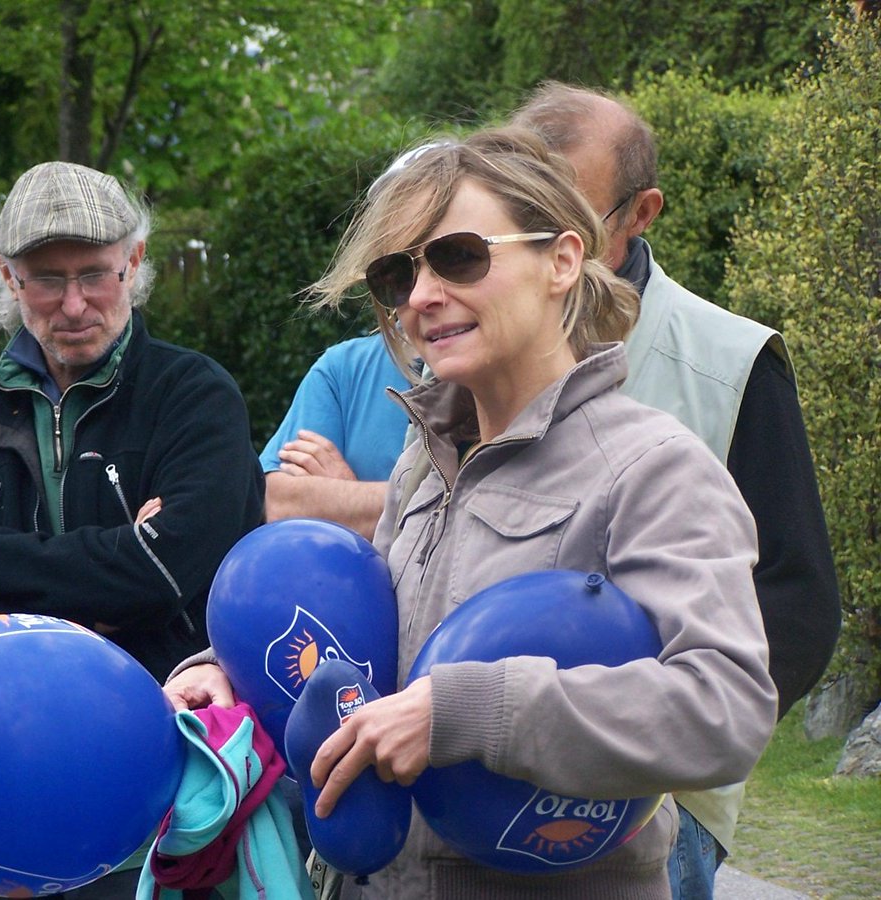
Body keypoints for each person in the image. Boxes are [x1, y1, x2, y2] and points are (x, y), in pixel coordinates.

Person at [164, 127, 778, 898]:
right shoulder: (426, 461)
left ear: (561, 260)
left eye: (458, 256)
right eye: (397, 274)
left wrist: (470, 710)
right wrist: (230, 675)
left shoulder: (653, 467)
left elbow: (724, 709)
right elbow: (374, 653)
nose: (420, 296)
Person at [0, 161, 265, 899]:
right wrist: (98, 596)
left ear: (135, 262)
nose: (74, 303)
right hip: (9, 789)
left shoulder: (194, 396)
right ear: (8, 278)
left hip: (164, 788)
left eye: (96, 273)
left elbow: (170, 572)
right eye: (45, 279)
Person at [510, 81, 842, 899]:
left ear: (641, 212)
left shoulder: (733, 363)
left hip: (652, 809)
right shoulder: (475, 345)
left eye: (567, 219)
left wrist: (677, 754)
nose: (537, 243)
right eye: (517, 210)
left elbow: (797, 605)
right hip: (473, 771)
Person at [259, 331, 415, 541]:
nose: (420, 299)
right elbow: (277, 503)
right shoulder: (343, 366)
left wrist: (347, 499)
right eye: (402, 294)